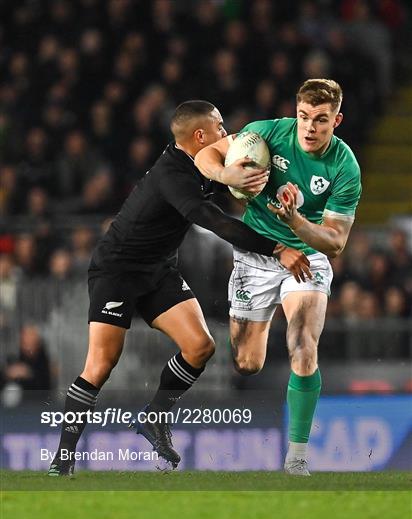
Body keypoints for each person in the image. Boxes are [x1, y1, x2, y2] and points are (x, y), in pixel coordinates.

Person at [48, 100, 311, 476]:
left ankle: (154, 417)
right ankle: (63, 460)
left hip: (158, 270)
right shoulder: (174, 174)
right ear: (200, 135)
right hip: (118, 270)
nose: (226, 134)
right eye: (219, 127)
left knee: (200, 346)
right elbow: (212, 220)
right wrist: (277, 249)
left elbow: (249, 149)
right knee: (100, 365)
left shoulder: (207, 160)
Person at [195, 80, 361, 475]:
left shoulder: (344, 165)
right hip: (255, 255)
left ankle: (298, 457)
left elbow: (335, 242)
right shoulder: (267, 133)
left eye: (321, 120)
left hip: (306, 258)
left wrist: (296, 222)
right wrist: (226, 176)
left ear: (336, 120)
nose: (310, 128)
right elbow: (206, 154)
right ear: (295, 112)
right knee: (247, 363)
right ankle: (259, 322)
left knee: (303, 343)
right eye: (304, 117)